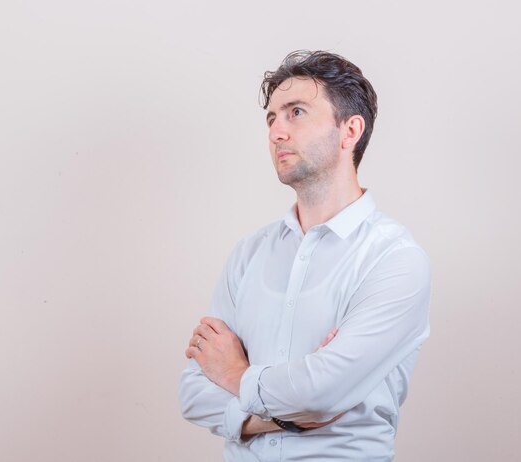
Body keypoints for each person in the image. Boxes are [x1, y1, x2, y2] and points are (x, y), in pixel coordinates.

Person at [178, 50, 431, 461]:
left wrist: (235, 373)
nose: (276, 132)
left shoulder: (395, 259)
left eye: (296, 112)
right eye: (272, 118)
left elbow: (320, 393)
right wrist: (284, 415)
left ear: (350, 131)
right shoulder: (249, 254)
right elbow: (191, 392)